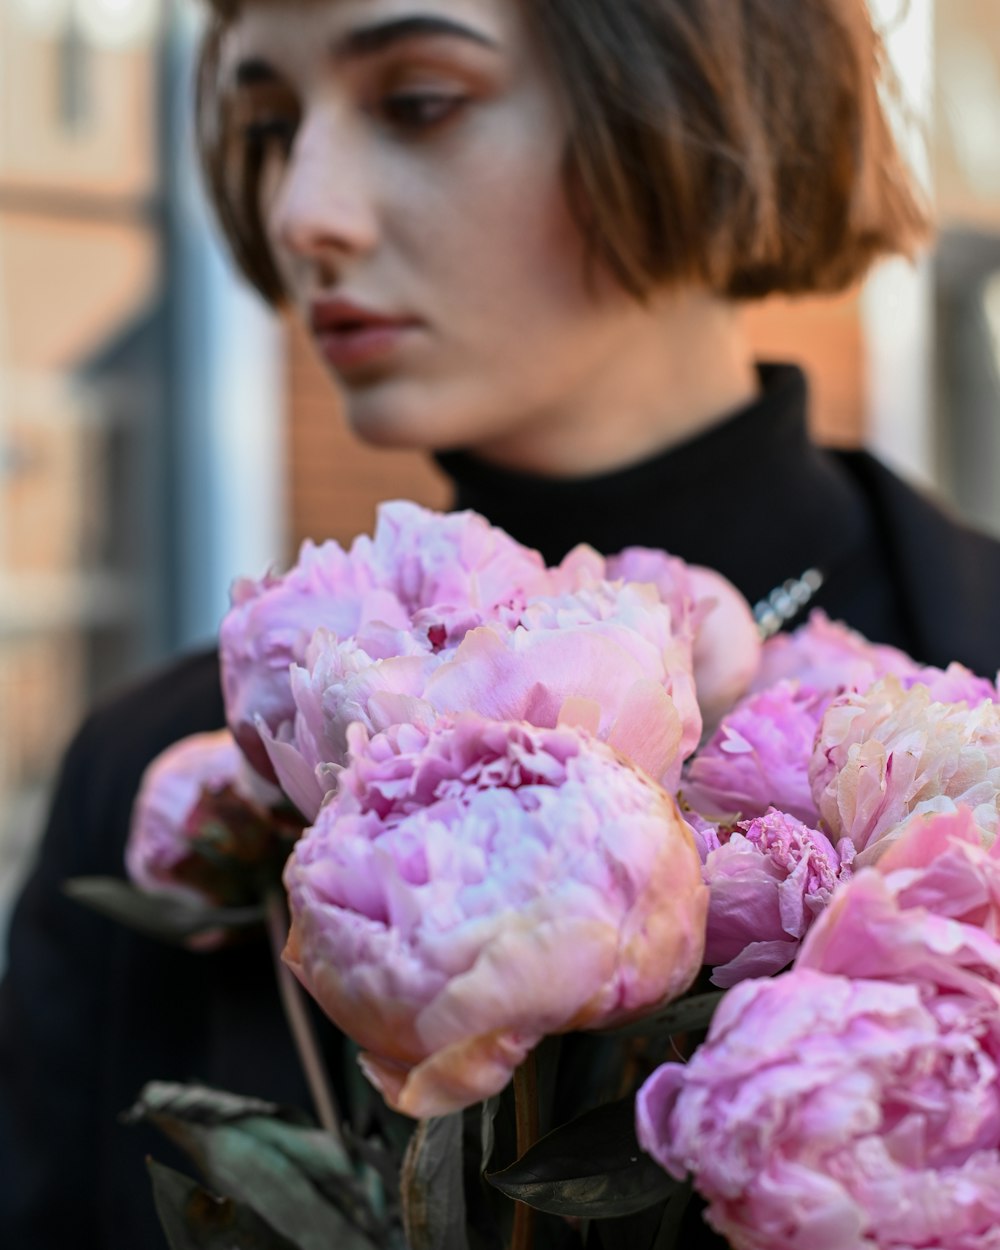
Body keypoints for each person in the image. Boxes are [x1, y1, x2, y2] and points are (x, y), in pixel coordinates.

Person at [2, 1, 999, 1246]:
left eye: (419, 101)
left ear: (693, 92)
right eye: (268, 124)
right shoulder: (153, 774)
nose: (300, 209)